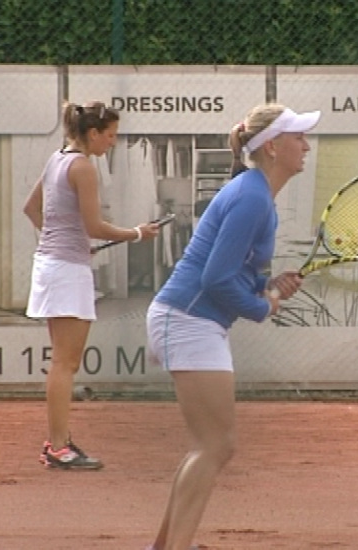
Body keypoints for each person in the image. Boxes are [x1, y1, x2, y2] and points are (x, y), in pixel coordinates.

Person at [144, 103, 320, 550]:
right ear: (273, 146)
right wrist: (262, 307)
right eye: (298, 136)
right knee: (215, 446)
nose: (306, 145)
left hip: (193, 320)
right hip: (187, 319)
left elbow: (231, 269)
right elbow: (215, 279)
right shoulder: (252, 197)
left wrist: (266, 284)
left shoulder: (257, 195)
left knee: (211, 446)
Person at [23, 100, 160, 470]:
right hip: (65, 270)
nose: (113, 143)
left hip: (55, 265)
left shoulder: (57, 159)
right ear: (93, 133)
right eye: (110, 136)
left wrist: (60, 238)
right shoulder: (82, 167)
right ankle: (57, 447)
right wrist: (137, 233)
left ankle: (58, 442)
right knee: (65, 363)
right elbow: (95, 227)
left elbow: (31, 209)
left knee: (64, 361)